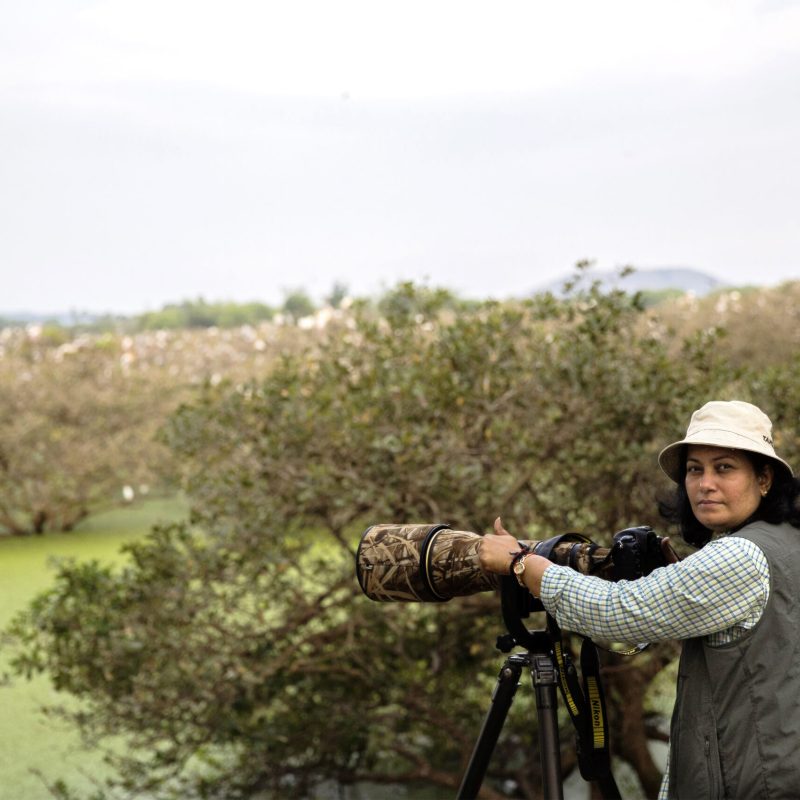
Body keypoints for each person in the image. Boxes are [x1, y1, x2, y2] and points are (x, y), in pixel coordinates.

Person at [479, 400, 800, 799]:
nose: (705, 484)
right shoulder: (787, 540)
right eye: (694, 469)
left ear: (764, 478)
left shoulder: (741, 555)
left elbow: (619, 614)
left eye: (724, 468)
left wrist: (521, 565)